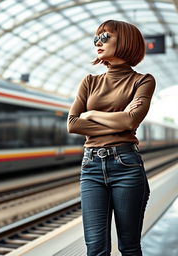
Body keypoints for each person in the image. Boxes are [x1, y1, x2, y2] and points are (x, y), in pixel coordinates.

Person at [67, 20, 155, 256]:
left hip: (126, 166)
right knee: (95, 248)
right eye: (96, 37)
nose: (98, 42)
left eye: (104, 36)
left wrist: (93, 113)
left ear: (125, 41)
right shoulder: (89, 81)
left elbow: (130, 121)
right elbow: (73, 124)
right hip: (91, 167)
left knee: (129, 246)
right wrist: (118, 123)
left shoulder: (143, 81)